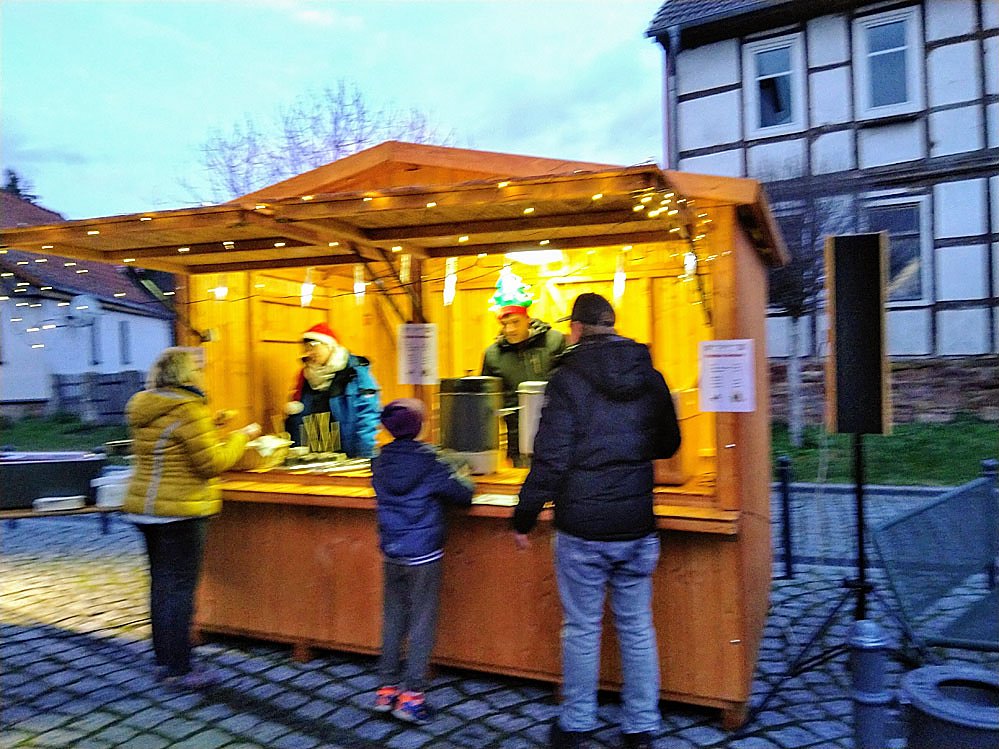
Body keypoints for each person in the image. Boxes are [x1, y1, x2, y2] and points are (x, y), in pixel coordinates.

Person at [511, 293, 681, 749]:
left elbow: (550, 458)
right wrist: (629, 450)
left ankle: (577, 725)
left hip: (582, 528)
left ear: (577, 328)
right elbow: (668, 444)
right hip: (636, 524)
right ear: (612, 324)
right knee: (637, 626)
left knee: (582, 628)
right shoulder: (650, 375)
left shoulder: (566, 379)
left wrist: (524, 518)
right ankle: (641, 728)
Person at [122, 347, 261, 690]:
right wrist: (241, 437)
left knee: (161, 586)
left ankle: (164, 660)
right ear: (186, 374)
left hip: (145, 509)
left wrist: (212, 424)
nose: (201, 374)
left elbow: (172, 441)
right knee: (181, 589)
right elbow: (211, 463)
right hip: (180, 512)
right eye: (197, 369)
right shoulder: (189, 409)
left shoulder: (146, 406)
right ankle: (180, 669)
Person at [371, 398, 475, 724]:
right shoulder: (430, 462)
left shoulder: (379, 462)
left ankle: (386, 690)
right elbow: (463, 495)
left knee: (393, 620)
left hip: (392, 551)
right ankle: (412, 698)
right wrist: (462, 471)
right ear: (419, 426)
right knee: (420, 624)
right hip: (423, 555)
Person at [481, 271, 565, 467]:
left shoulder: (554, 342)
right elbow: (486, 404)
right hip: (517, 442)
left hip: (556, 436)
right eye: (504, 324)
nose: (510, 329)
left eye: (515, 322)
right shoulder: (493, 355)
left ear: (527, 318)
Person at [284, 322, 381, 458]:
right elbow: (297, 418)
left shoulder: (354, 371)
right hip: (315, 455)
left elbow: (368, 413)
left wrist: (365, 453)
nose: (310, 353)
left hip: (349, 453)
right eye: (306, 348)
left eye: (313, 346)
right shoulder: (305, 376)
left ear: (329, 345)